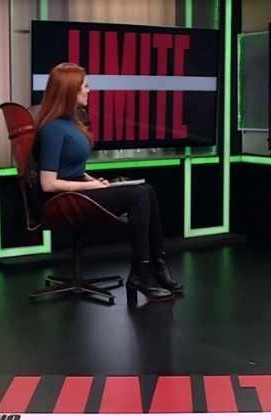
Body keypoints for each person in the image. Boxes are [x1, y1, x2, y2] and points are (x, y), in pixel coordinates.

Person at [33, 62, 182, 303]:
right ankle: (142, 273)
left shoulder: (71, 123)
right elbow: (48, 184)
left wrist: (93, 180)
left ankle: (157, 266)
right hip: (62, 200)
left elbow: (72, 169)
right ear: (70, 91)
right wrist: (90, 186)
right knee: (137, 195)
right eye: (85, 86)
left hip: (78, 190)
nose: (89, 90)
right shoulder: (53, 129)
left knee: (147, 190)